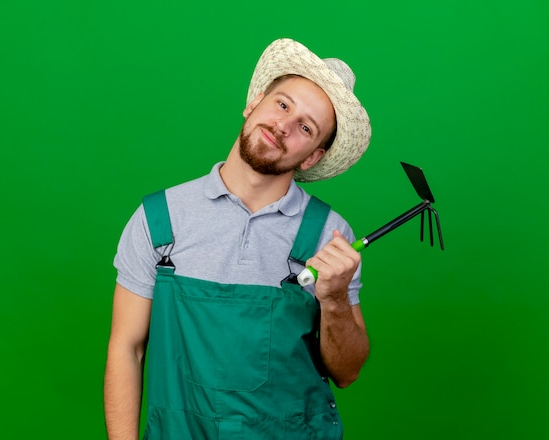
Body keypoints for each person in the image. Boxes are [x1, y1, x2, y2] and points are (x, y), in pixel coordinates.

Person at [104, 38, 372, 440]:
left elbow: (347, 372)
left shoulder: (329, 235)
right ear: (255, 103)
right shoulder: (160, 220)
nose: (283, 125)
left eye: (305, 127)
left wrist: (333, 299)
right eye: (282, 104)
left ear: (313, 156)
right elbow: (127, 349)